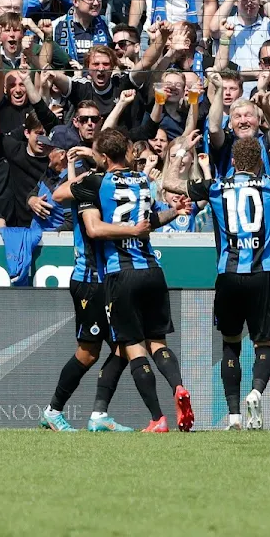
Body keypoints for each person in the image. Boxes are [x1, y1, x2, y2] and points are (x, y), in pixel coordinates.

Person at [167, 136, 270, 430]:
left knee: (230, 345)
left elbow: (169, 183)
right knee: (264, 344)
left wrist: (180, 153)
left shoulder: (215, 187)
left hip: (228, 275)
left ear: (234, 163)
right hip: (261, 274)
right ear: (261, 162)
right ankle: (256, 391)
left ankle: (234, 417)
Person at [71, 128, 193, 433]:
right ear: (126, 151)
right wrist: (173, 212)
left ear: (101, 156)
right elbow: (148, 223)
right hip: (152, 269)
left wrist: (130, 231)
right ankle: (178, 386)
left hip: (120, 274)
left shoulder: (96, 183)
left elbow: (96, 230)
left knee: (134, 347)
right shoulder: (141, 181)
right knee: (158, 342)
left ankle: (157, 418)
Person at [41, 146, 134, 433]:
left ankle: (99, 414)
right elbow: (57, 196)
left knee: (123, 347)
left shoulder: (114, 185)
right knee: (89, 351)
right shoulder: (87, 186)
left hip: (111, 279)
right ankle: (53, 410)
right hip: (89, 280)